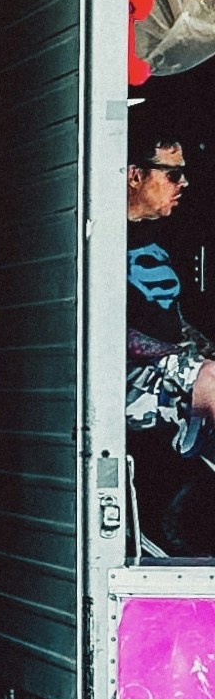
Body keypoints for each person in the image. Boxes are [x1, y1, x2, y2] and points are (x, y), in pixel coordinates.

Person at [125, 135, 215, 555]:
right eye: (173, 174)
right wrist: (184, 361)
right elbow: (111, 330)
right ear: (135, 175)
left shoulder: (157, 241)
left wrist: (202, 351)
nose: (184, 184)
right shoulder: (104, 236)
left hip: (171, 370)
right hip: (125, 379)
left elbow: (171, 319)